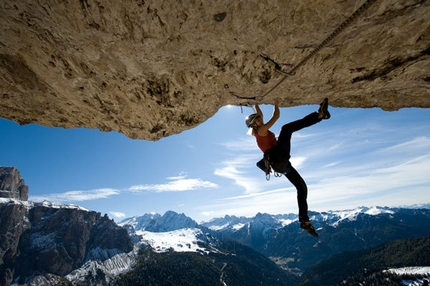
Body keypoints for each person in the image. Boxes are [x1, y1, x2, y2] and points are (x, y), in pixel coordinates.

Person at [245, 98, 331, 237]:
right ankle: (320, 115)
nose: (260, 119)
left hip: (280, 165)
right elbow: (276, 117)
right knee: (286, 129)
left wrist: (256, 105)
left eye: (259, 118)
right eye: (257, 119)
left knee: (301, 187)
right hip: (279, 157)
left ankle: (304, 220)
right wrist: (276, 104)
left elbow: (262, 116)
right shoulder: (261, 130)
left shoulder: (258, 131)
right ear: (254, 124)